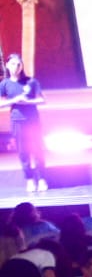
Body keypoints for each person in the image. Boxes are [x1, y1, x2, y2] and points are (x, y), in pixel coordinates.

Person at [1, 53, 43, 187]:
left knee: (37, 149)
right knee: (23, 151)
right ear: (7, 65)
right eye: (13, 64)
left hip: (33, 120)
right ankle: (29, 178)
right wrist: (14, 100)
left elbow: (42, 99)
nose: (16, 67)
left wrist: (28, 102)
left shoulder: (31, 81)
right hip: (17, 120)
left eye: (19, 64)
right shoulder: (4, 84)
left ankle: (41, 178)